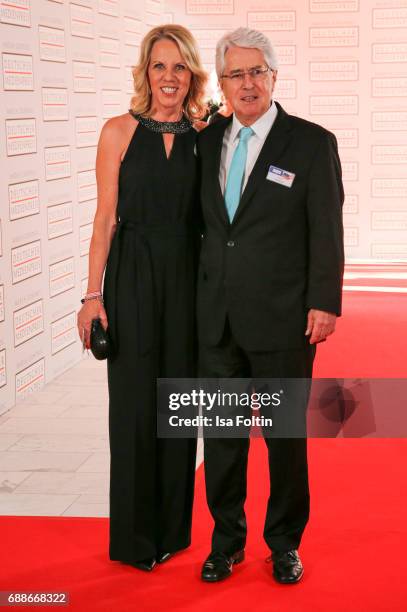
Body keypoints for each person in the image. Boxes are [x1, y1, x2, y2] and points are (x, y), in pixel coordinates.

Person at [196, 27, 344, 584]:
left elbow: (326, 229)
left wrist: (324, 301)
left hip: (284, 320)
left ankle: (283, 542)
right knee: (223, 439)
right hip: (216, 320)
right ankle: (226, 541)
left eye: (257, 71)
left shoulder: (310, 142)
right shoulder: (206, 141)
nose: (247, 83)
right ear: (223, 83)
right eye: (235, 73)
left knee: (283, 439)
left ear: (275, 76)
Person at [76, 24, 207, 572]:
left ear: (192, 74)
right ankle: (134, 541)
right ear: (145, 72)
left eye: (179, 67)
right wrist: (91, 296)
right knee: (133, 406)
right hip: (131, 275)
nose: (169, 77)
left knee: (179, 406)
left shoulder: (207, 135)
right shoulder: (118, 131)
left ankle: (173, 532)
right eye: (159, 66)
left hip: (189, 277)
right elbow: (104, 220)